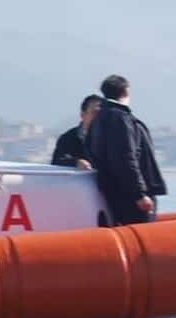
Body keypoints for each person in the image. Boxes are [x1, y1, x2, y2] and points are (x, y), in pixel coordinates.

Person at [82, 75, 167, 225]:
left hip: (114, 193)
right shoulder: (120, 117)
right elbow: (125, 157)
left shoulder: (99, 119)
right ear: (126, 91)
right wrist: (139, 194)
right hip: (129, 198)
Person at [51, 94, 103, 168]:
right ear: (83, 115)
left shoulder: (109, 138)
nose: (98, 117)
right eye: (94, 113)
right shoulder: (68, 138)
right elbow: (56, 161)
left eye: (101, 114)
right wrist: (76, 162)